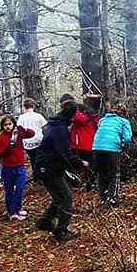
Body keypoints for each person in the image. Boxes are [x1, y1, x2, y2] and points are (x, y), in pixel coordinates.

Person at [35, 100, 88, 241]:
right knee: (66, 197)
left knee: (60, 196)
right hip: (48, 168)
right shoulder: (60, 129)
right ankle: (61, 231)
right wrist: (80, 162)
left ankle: (45, 221)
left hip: (49, 166)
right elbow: (63, 153)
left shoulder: (57, 124)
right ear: (73, 114)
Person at [92, 102, 133, 206]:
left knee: (101, 173)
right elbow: (128, 138)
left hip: (96, 147)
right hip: (112, 148)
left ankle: (103, 197)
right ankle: (112, 199)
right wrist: (124, 146)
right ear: (124, 113)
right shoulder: (123, 121)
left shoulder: (103, 120)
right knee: (114, 174)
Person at [0, 114, 34, 221]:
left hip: (20, 167)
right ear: (2, 126)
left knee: (20, 189)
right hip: (8, 169)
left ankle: (16, 209)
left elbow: (31, 134)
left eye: (10, 124)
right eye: (5, 125)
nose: (8, 126)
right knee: (9, 191)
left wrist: (23, 128)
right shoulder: (1, 137)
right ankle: (12, 212)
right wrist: (8, 145)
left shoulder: (18, 134)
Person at [62, 93, 100, 191]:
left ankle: (89, 184)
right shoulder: (86, 113)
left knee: (87, 164)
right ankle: (87, 183)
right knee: (85, 163)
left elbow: (81, 120)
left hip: (85, 143)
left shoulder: (82, 113)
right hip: (84, 143)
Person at [16, 98, 47, 182]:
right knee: (40, 159)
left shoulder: (21, 118)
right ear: (33, 106)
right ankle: (41, 175)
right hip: (39, 141)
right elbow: (45, 127)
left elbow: (19, 129)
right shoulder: (38, 116)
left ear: (24, 107)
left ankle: (36, 176)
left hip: (28, 143)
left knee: (33, 159)